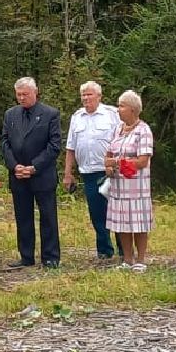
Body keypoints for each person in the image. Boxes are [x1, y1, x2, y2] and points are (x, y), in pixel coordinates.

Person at [1, 76, 63, 269]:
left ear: (35, 93)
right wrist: (14, 166)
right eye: (18, 95)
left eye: (25, 94)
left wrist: (34, 167)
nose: (21, 98)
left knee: (48, 217)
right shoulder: (11, 114)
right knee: (23, 218)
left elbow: (54, 146)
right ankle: (26, 255)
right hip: (18, 175)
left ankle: (50, 256)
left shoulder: (50, 114)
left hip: (42, 175)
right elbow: (5, 143)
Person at [62, 81, 121, 261]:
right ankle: (104, 250)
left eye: (89, 94)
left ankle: (124, 250)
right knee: (96, 213)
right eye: (83, 95)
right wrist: (68, 173)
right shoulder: (77, 117)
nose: (86, 98)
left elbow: (121, 141)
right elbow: (70, 147)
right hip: (87, 172)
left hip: (109, 171)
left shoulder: (111, 114)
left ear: (99, 96)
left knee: (116, 211)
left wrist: (114, 164)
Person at [104, 90, 154, 271]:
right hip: (118, 186)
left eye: (121, 106)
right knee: (122, 222)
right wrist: (108, 166)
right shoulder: (117, 129)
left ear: (133, 109)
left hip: (136, 186)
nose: (118, 109)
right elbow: (109, 152)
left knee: (138, 222)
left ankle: (140, 260)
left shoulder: (143, 130)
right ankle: (127, 259)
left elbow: (142, 161)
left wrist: (117, 162)